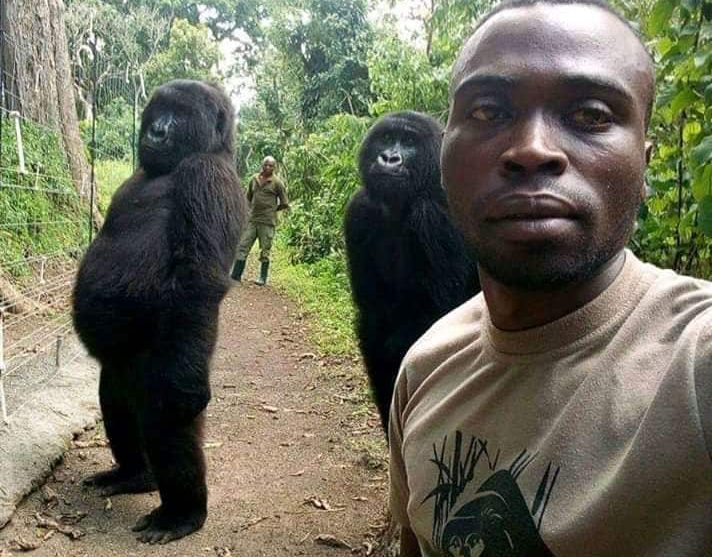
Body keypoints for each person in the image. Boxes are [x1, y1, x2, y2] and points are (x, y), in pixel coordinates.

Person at [388, 1, 712, 556]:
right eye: (488, 112)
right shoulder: (425, 368)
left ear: (644, 164)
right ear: (445, 157)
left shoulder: (693, 361)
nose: (531, 149)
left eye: (590, 114)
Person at [231, 156, 289, 285]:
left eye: (271, 166)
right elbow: (247, 199)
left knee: (265, 250)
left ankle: (262, 278)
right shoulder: (254, 179)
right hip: (252, 220)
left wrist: (273, 209)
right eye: (266, 165)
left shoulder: (277, 183)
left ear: (274, 168)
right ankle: (236, 275)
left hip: (267, 222)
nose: (268, 167)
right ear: (262, 165)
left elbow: (285, 203)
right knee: (242, 247)